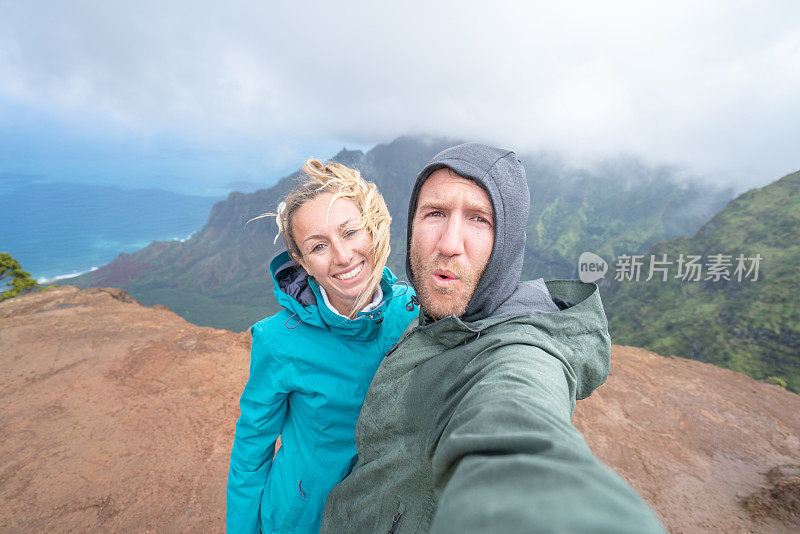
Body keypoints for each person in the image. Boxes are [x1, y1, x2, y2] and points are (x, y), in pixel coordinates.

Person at [320, 143, 665, 533]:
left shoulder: (517, 355)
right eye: (434, 213)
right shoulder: (428, 315)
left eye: (479, 220)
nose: (449, 244)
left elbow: (515, 427)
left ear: (507, 242)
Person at [226, 159, 418, 533]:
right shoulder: (278, 339)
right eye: (319, 246)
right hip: (303, 518)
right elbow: (252, 448)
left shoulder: (417, 314)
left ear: (372, 230)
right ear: (302, 263)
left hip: (389, 514)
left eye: (350, 233)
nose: (343, 256)